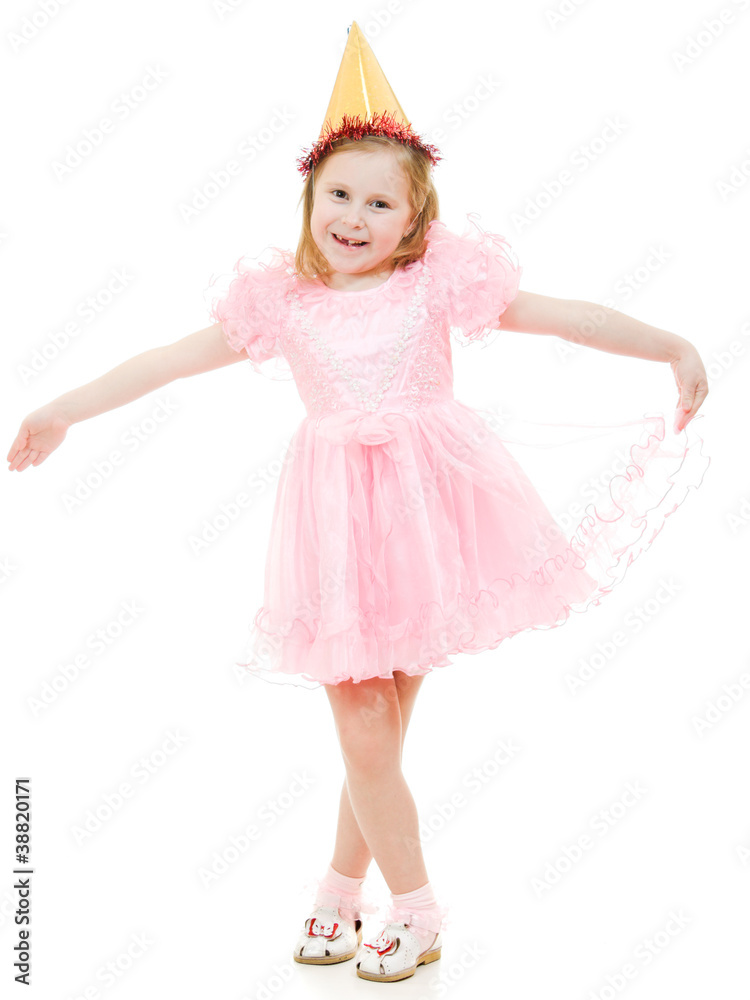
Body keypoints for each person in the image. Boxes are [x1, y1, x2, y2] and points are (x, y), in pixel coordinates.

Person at [6, 21, 710, 985]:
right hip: (339, 528)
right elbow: (165, 361)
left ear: (415, 225)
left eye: (381, 202)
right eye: (339, 193)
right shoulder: (281, 301)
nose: (354, 214)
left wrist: (670, 342)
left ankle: (348, 895)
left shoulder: (434, 289)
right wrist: (62, 409)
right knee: (368, 725)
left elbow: (566, 316)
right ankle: (406, 905)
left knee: (381, 727)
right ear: (309, 200)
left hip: (434, 513)